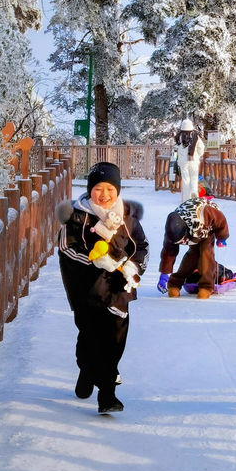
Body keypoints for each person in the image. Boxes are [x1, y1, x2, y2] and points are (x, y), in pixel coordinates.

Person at [56, 162, 149, 414]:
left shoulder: (128, 217)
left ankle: (107, 394)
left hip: (119, 291)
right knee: (89, 338)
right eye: (99, 188)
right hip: (86, 291)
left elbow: (142, 247)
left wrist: (133, 266)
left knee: (115, 340)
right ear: (90, 190)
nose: (105, 194)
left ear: (117, 190)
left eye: (110, 188)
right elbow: (66, 248)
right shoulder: (77, 216)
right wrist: (96, 261)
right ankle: (86, 369)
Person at [158, 194, 229, 299]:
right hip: (193, 231)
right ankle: (174, 284)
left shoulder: (203, 214)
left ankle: (206, 287)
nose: (182, 242)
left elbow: (220, 219)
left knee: (205, 255)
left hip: (207, 227)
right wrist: (164, 273)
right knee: (191, 257)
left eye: (183, 240)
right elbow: (169, 251)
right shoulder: (171, 230)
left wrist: (222, 237)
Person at [174, 118, 205, 201]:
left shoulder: (179, 136)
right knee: (194, 179)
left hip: (183, 162)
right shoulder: (195, 136)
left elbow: (176, 148)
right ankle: (194, 196)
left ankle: (186, 199)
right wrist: (198, 155)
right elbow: (201, 148)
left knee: (185, 180)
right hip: (193, 161)